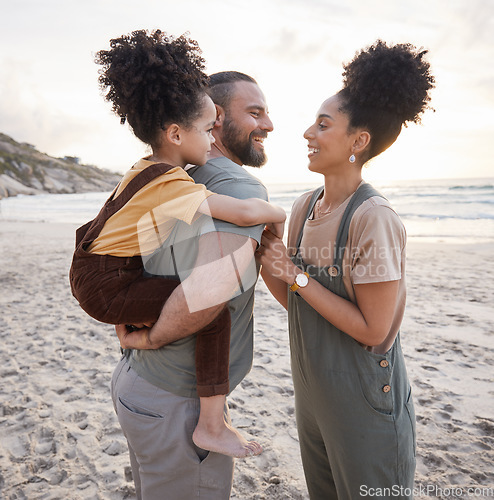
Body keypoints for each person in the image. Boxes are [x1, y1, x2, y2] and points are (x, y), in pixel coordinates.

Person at [69, 30, 284, 465]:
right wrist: (278, 213)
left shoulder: (149, 169)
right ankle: (210, 425)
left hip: (98, 277)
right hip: (162, 383)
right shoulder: (178, 183)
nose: (211, 136)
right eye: (208, 128)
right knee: (215, 317)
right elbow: (237, 224)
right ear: (175, 131)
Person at [257, 40, 435, 499]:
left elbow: (373, 330)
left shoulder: (372, 217)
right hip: (313, 399)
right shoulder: (303, 207)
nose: (307, 133)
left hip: (364, 407)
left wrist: (294, 274)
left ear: (358, 141)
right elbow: (298, 305)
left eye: (323, 124)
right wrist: (268, 263)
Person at [112, 70, 275, 499]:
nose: (269, 125)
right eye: (255, 113)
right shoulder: (237, 186)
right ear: (216, 119)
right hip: (175, 403)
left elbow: (132, 264)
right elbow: (208, 294)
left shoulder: (169, 179)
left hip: (137, 387)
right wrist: (152, 337)